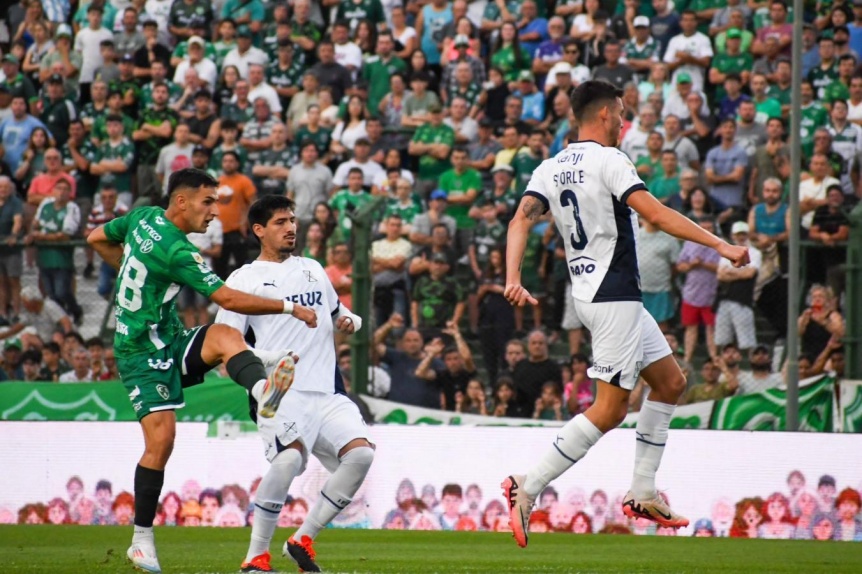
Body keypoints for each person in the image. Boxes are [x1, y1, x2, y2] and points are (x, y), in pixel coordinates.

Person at [501, 80, 749, 547]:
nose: (622, 121)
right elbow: (654, 214)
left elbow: (520, 220)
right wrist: (720, 245)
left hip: (595, 295)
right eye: (619, 113)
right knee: (609, 409)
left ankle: (642, 491)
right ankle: (526, 486)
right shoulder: (611, 160)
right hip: (613, 295)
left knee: (672, 382)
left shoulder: (550, 167)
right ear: (602, 115)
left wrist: (513, 277)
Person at [86, 168, 317, 574]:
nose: (215, 211)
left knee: (225, 334)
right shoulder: (179, 252)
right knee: (162, 441)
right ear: (182, 201)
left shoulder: (141, 218)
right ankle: (140, 541)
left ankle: (264, 392)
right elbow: (226, 295)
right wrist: (290, 307)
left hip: (170, 338)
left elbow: (96, 238)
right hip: (140, 354)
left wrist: (130, 275)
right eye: (208, 202)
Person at [213, 195, 371, 574]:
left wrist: (352, 321)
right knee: (289, 460)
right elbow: (225, 344)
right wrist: (269, 361)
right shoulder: (243, 280)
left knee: (361, 456)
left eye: (292, 220)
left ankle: (302, 539)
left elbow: (338, 312)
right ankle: (255, 557)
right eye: (281, 222)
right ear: (259, 230)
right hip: (281, 392)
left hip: (327, 391)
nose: (291, 228)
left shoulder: (314, 268)